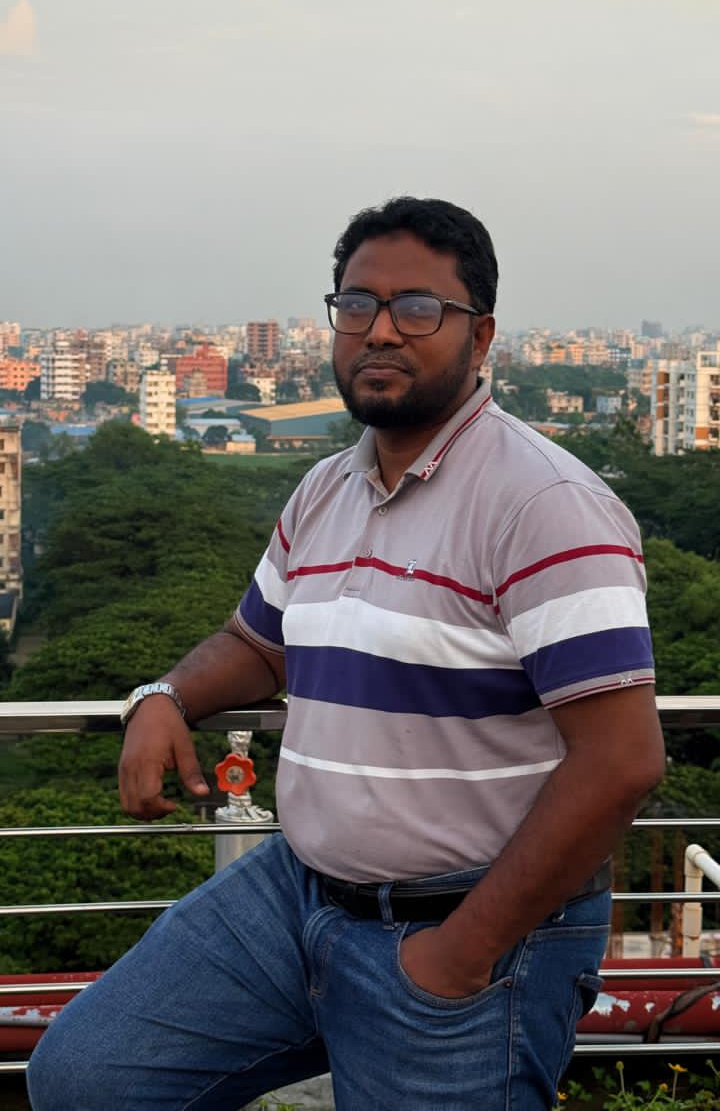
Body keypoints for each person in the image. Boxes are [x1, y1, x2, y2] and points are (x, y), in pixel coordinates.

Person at [27, 198, 665, 1111]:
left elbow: (621, 761)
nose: (381, 331)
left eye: (419, 308)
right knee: (89, 1076)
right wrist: (164, 695)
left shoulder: (545, 505)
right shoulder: (329, 487)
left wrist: (460, 953)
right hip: (298, 894)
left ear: (481, 336)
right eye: (357, 305)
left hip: (464, 923)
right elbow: (258, 642)